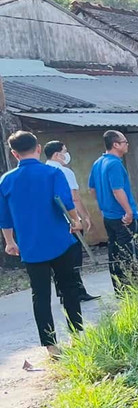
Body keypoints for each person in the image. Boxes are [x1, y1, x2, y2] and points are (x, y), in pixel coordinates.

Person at [3, 131, 86, 357]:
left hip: (31, 247)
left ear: (14, 153)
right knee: (69, 288)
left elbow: (5, 216)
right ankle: (77, 336)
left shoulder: (6, 180)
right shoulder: (52, 173)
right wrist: (76, 221)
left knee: (40, 295)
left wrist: (10, 242)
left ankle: (51, 347)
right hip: (60, 241)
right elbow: (65, 201)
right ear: (38, 148)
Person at [87, 130, 138, 294]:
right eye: (124, 142)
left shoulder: (98, 162)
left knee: (115, 252)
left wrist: (104, 205)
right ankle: (132, 289)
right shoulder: (114, 164)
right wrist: (128, 211)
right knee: (132, 253)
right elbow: (117, 190)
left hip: (109, 216)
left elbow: (92, 189)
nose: (127, 144)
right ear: (115, 144)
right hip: (123, 216)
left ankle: (120, 289)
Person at [43, 141, 99, 301]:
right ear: (56, 154)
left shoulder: (44, 171)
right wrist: (84, 217)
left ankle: (62, 291)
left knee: (57, 258)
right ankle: (77, 291)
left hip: (54, 223)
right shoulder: (64, 172)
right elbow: (74, 198)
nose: (67, 155)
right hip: (70, 222)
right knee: (74, 259)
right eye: (65, 151)